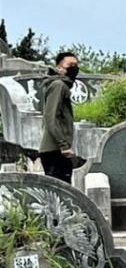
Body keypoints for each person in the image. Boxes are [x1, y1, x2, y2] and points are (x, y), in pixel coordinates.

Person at [39, 52, 79, 184]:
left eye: (76, 65)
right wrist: (63, 145)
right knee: (60, 194)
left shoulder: (61, 85)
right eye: (70, 65)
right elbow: (51, 116)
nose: (74, 68)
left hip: (56, 150)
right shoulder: (58, 85)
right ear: (60, 68)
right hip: (55, 150)